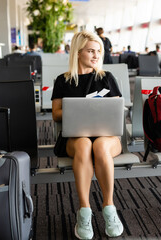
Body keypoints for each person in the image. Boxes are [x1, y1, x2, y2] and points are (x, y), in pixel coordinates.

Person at [51, 30, 124, 239]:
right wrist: (83, 108)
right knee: (84, 144)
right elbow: (56, 114)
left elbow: (118, 110)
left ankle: (109, 207)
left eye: (98, 51)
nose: (96, 56)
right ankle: (85, 210)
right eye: (91, 51)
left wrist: (97, 106)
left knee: (100, 145)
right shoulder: (63, 81)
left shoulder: (106, 78)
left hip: (107, 137)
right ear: (77, 52)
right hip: (75, 137)